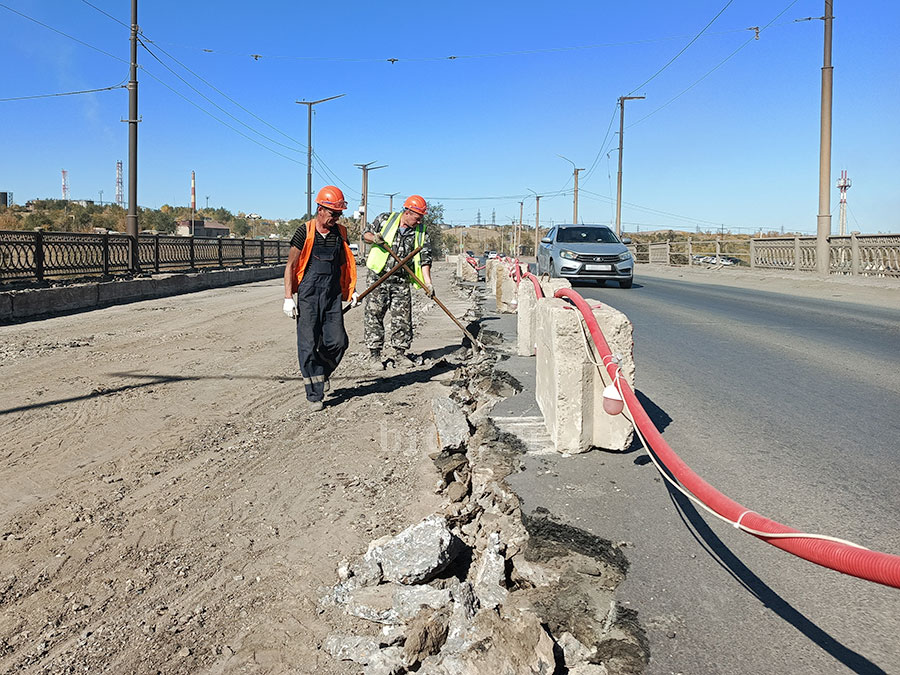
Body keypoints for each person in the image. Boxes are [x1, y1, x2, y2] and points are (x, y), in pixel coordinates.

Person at [283, 186, 358, 411]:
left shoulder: (341, 233)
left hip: (332, 293)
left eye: (338, 214)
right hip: (308, 294)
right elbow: (291, 266)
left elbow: (345, 265)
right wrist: (288, 297)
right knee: (307, 345)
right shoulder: (303, 232)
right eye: (332, 213)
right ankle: (314, 395)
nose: (336, 218)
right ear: (320, 209)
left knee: (338, 342)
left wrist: (351, 290)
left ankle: (321, 373)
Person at [362, 195, 433, 369]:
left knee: (402, 318)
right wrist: (374, 238)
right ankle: (375, 356)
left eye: (421, 218)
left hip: (401, 280)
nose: (419, 221)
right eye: (417, 217)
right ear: (408, 212)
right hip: (378, 277)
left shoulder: (422, 232)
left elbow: (425, 260)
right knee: (374, 315)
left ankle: (400, 354)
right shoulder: (385, 219)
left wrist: (428, 284)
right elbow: (365, 234)